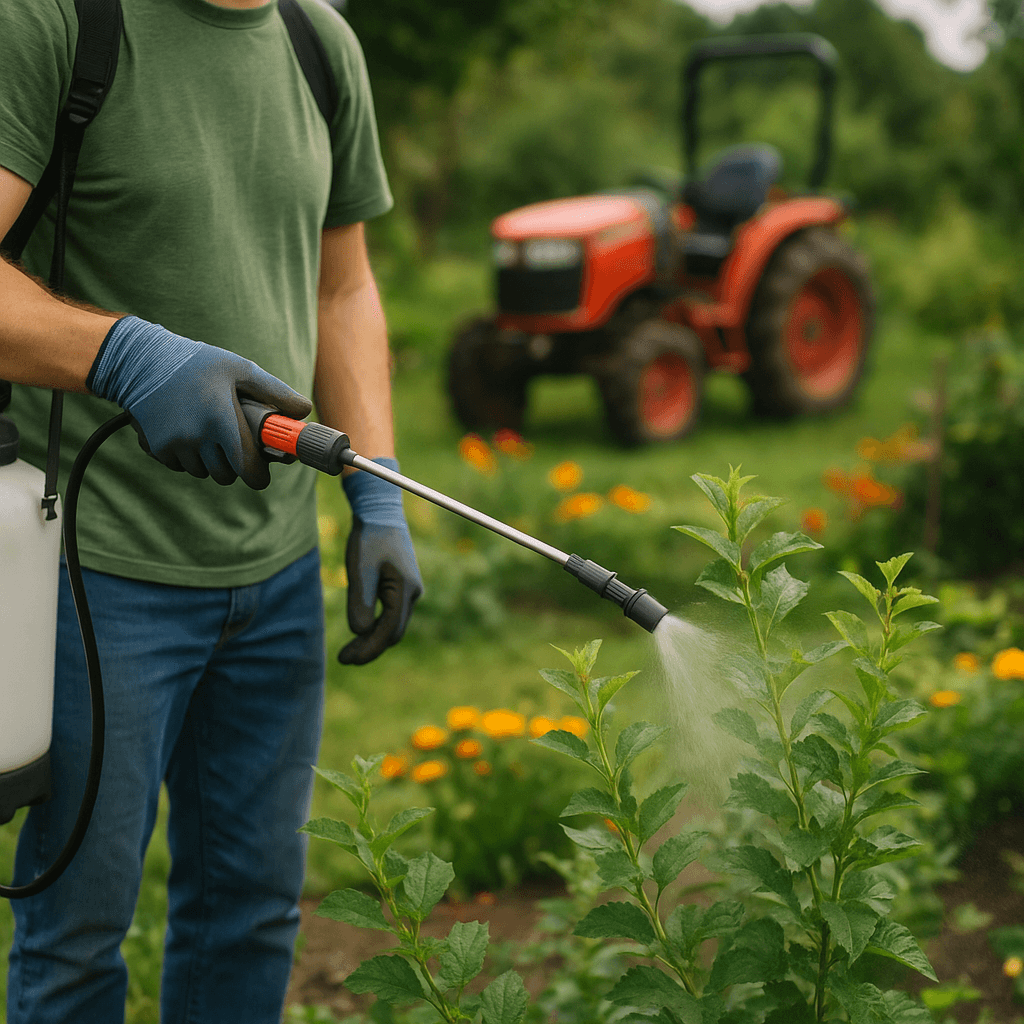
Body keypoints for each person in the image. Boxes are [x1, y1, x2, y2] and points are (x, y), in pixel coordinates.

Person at [0, 0, 423, 1020]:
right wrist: (125, 353)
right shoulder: (57, 23)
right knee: (75, 942)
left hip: (276, 579)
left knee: (250, 913)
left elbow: (343, 289)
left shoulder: (321, 47)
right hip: (90, 574)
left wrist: (376, 483)